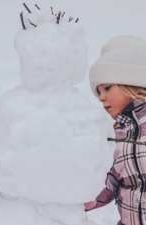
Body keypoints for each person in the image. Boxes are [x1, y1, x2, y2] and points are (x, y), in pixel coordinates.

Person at [84, 35, 146, 225]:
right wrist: (75, 196)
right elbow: (109, 185)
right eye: (98, 92)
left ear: (131, 82)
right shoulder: (116, 135)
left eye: (107, 88)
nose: (101, 98)